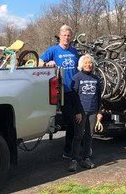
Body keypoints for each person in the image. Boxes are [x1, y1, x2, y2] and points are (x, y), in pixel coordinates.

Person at [39, 24, 80, 159]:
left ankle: (78, 148)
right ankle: (67, 151)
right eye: (64, 35)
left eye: (68, 35)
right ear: (60, 36)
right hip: (63, 92)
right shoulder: (53, 50)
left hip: (76, 91)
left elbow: (80, 68)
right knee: (70, 122)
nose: (66, 38)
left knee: (79, 121)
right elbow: (39, 63)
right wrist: (47, 64)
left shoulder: (74, 51)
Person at [68, 54, 103, 172]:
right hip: (81, 112)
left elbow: (99, 97)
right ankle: (74, 160)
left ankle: (86, 158)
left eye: (90, 63)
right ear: (81, 65)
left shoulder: (96, 78)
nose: (88, 65)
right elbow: (74, 96)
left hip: (93, 111)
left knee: (89, 136)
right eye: (86, 63)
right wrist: (77, 112)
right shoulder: (77, 77)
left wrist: (99, 112)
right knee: (78, 136)